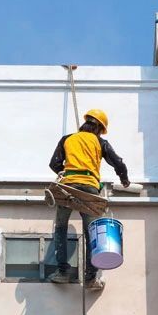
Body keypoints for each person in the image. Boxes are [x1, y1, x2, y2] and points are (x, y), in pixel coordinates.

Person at [48, 108, 130, 287]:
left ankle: (63, 272)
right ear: (100, 128)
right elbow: (118, 163)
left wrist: (65, 172)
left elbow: (54, 163)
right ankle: (90, 277)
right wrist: (124, 180)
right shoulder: (100, 142)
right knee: (91, 232)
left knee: (60, 228)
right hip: (89, 189)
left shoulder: (67, 139)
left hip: (67, 187)